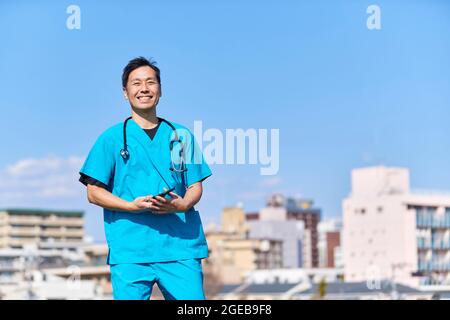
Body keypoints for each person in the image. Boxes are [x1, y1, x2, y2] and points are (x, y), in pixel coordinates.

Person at [79, 57, 212, 300]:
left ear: (160, 90)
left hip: (179, 247)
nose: (144, 89)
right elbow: (93, 192)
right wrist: (130, 206)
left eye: (151, 82)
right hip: (131, 250)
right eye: (136, 83)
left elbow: (195, 185)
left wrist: (182, 204)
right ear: (125, 92)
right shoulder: (110, 139)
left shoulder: (181, 136)